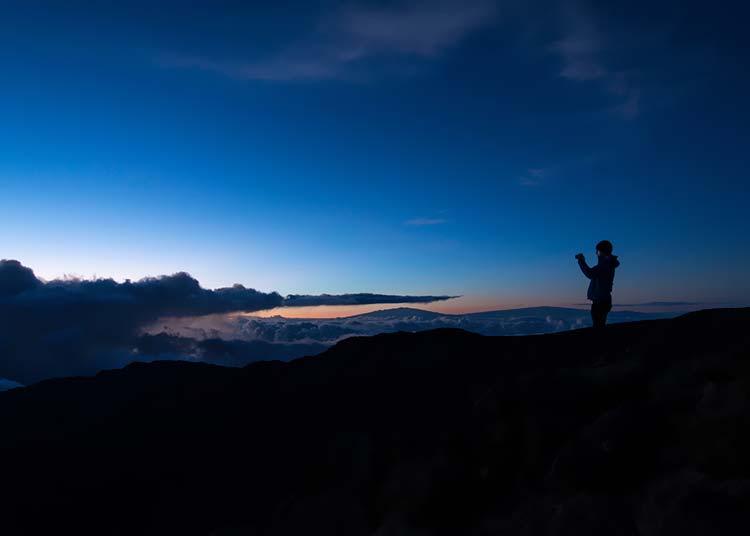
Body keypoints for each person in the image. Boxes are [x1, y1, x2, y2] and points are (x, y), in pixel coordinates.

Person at [575, 240, 620, 329]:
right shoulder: (608, 264)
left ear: (603, 251)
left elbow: (589, 273)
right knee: (600, 325)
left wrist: (581, 260)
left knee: (598, 327)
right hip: (603, 300)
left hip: (600, 302)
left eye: (597, 251)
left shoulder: (605, 265)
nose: (596, 253)